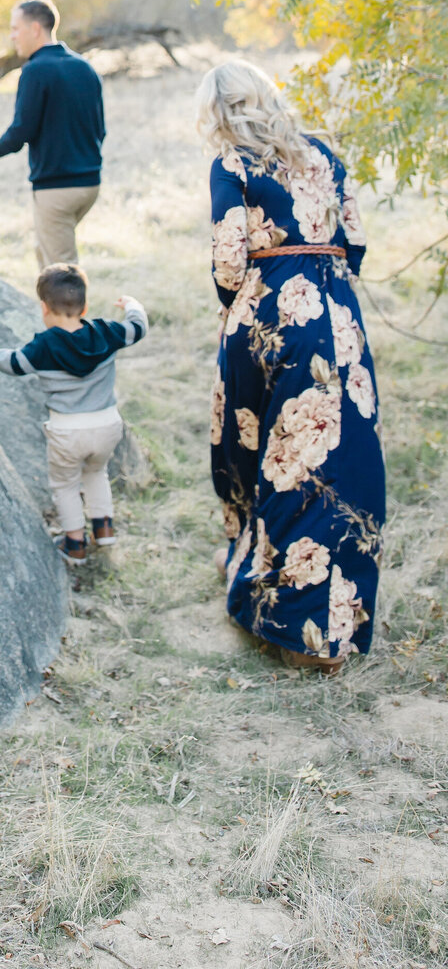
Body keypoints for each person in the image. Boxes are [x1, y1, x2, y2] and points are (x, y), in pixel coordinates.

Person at [199, 59, 384, 672]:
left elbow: (229, 262)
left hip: (271, 319)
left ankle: (283, 625)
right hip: (338, 317)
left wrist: (245, 303)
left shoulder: (232, 164)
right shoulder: (325, 157)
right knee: (343, 462)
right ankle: (334, 632)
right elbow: (354, 242)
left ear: (218, 113)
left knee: (267, 456)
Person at [0, 263, 148, 563]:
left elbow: (12, 363)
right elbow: (138, 327)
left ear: (44, 308)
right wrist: (133, 305)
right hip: (106, 425)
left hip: (67, 431)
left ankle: (75, 543)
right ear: (85, 306)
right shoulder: (107, 332)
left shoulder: (43, 346)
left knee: (65, 485)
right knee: (96, 473)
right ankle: (104, 530)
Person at [0, 0, 105, 266]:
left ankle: (66, 309)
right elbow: (100, 130)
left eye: (15, 29)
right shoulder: (85, 68)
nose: (12, 36)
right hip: (90, 185)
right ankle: (49, 308)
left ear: (35, 29)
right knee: (45, 252)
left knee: (62, 272)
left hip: (57, 189)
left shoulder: (34, 71)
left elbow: (21, 131)